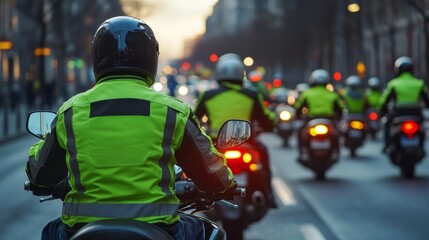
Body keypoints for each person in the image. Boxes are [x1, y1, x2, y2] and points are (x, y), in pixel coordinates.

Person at [25, 16, 237, 240]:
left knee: (50, 232)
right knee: (212, 233)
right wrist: (226, 185)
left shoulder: (71, 112)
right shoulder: (172, 112)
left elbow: (40, 173)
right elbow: (212, 173)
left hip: (81, 230)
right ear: (150, 58)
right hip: (160, 229)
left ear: (97, 57)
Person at [194, 53, 278, 208]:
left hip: (216, 146)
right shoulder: (252, 95)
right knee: (263, 155)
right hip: (247, 144)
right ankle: (268, 194)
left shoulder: (208, 95)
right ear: (241, 74)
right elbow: (266, 118)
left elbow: (193, 121)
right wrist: (273, 124)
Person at [378, 56, 429, 152]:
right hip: (416, 114)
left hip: (398, 114)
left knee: (386, 124)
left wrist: (382, 113)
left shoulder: (393, 84)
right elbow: (427, 100)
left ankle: (387, 145)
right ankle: (422, 147)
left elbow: (384, 101)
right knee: (422, 128)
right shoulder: (419, 83)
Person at [294, 69, 344, 159]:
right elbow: (340, 109)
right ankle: (336, 151)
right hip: (329, 120)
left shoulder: (306, 94)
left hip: (311, 120)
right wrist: (339, 118)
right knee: (337, 133)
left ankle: (303, 152)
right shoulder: (332, 94)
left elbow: (298, 108)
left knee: (300, 131)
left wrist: (298, 116)